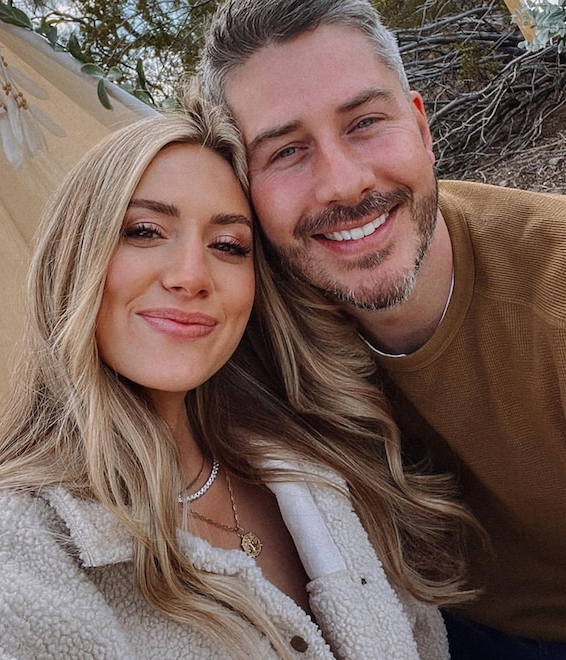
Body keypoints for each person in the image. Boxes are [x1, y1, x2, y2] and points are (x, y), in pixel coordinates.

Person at [0, 102, 475, 658]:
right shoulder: (16, 550)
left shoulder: (310, 450)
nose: (191, 276)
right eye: (145, 231)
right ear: (75, 258)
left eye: (228, 245)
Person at [200, 1, 566, 658]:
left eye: (365, 123)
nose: (343, 184)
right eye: (287, 151)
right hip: (423, 623)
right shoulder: (244, 323)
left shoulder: (552, 293)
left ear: (422, 129)